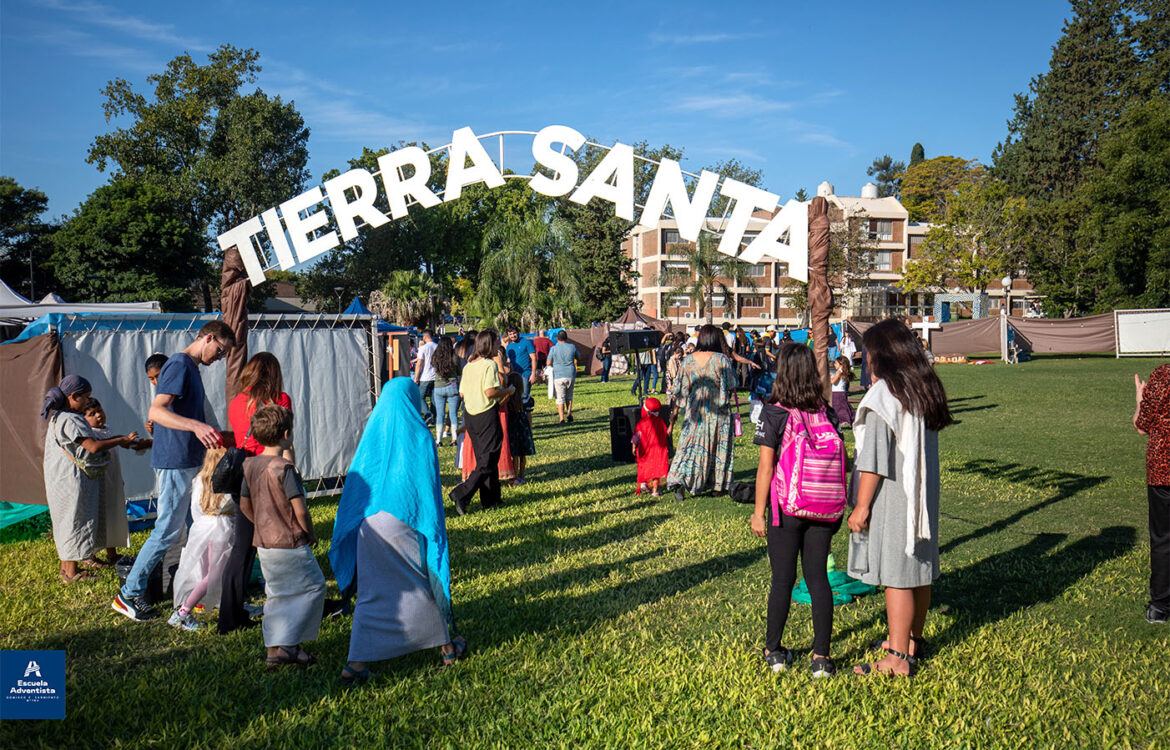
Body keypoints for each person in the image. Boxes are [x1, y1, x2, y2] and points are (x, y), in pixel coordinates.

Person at [330, 378, 468, 683]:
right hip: (405, 518)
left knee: (371, 591)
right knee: (421, 581)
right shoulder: (419, 436)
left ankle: (355, 662)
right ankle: (446, 648)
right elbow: (427, 491)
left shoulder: (372, 433)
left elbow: (357, 485)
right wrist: (430, 527)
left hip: (368, 525)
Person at [847, 319, 952, 677]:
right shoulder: (923, 386)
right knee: (918, 570)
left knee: (897, 575)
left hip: (894, 495)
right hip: (922, 493)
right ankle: (912, 641)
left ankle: (896, 658)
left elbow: (873, 460)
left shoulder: (883, 395)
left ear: (880, 355)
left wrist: (861, 508)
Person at [112, 321, 232, 621]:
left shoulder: (191, 367)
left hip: (189, 460)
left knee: (198, 528)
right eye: (220, 350)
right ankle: (129, 593)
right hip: (175, 461)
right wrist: (195, 425)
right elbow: (156, 410)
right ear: (208, 337)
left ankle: (197, 593)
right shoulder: (178, 364)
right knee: (167, 531)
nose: (220, 357)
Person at [750, 343, 846, 677]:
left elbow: (765, 468)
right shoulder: (826, 411)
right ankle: (821, 657)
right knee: (818, 578)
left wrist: (758, 511)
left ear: (783, 371)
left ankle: (774, 651)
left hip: (785, 508)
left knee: (783, 579)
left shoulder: (774, 412)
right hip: (823, 507)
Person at [239, 404, 325, 669]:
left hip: (264, 542)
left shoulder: (249, 465)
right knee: (313, 587)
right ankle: (288, 645)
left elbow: (244, 505)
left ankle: (274, 650)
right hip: (290, 541)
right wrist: (309, 533)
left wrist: (262, 524)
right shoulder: (284, 468)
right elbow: (299, 509)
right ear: (287, 434)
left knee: (276, 593)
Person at [219, 351, 292, 634]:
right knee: (280, 541)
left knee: (243, 546)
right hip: (269, 473)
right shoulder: (280, 400)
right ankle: (288, 604)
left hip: (242, 474)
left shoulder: (237, 402)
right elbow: (284, 441)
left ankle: (231, 614)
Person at [42, 377, 138, 584]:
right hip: (72, 480)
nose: (87, 402)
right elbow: (92, 446)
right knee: (74, 521)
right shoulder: (70, 418)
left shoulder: (58, 417)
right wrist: (120, 440)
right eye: (84, 398)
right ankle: (71, 573)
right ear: (73, 396)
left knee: (68, 521)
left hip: (62, 478)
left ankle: (66, 569)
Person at [666, 325, 738, 501]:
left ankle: (678, 477)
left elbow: (678, 388)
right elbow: (731, 383)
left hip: (694, 411)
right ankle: (716, 485)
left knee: (688, 446)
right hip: (717, 412)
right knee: (717, 448)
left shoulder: (688, 360)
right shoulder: (721, 359)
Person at [169, 445, 237, 632]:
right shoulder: (228, 480)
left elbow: (195, 510)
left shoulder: (199, 479)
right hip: (222, 528)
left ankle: (222, 603)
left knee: (206, 571)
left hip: (202, 527)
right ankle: (183, 612)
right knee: (216, 574)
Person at [450, 330, 516, 516]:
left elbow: (461, 393)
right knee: (489, 458)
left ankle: (491, 498)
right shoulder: (489, 365)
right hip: (486, 413)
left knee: (485, 458)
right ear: (489, 345)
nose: (498, 346)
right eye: (496, 343)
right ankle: (461, 493)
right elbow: (490, 392)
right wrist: (508, 391)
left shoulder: (468, 366)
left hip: (471, 415)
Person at [82, 398, 136, 568]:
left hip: (112, 482)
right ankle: (89, 556)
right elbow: (98, 447)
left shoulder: (107, 431)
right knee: (96, 519)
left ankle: (111, 554)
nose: (98, 415)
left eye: (99, 410)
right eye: (92, 414)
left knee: (111, 517)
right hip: (97, 484)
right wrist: (120, 439)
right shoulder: (89, 436)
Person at [1134, 365, 1170, 624]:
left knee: (1163, 539)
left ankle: (1160, 604)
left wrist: (1139, 401)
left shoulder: (1161, 377)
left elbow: (1141, 426)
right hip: (1162, 472)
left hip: (1162, 472)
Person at [633, 397, 669, 497]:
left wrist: (633, 446)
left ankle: (643, 484)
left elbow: (636, 436)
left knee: (644, 467)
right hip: (658, 453)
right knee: (656, 473)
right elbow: (665, 434)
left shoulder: (642, 423)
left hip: (645, 452)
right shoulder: (661, 422)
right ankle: (655, 491)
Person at [505, 371, 535, 485]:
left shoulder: (508, 398)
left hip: (512, 427)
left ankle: (514, 476)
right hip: (523, 427)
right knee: (523, 454)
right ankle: (522, 475)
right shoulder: (526, 398)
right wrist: (530, 428)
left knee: (515, 454)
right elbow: (528, 414)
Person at [432, 337, 462, 447]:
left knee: (440, 415)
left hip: (438, 387)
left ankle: (438, 440)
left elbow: (434, 368)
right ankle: (454, 439)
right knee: (453, 414)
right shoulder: (454, 357)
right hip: (452, 386)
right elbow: (459, 372)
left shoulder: (435, 357)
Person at [547, 330, 579, 423]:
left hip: (558, 375)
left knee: (560, 398)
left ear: (557, 339)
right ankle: (569, 413)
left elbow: (548, 362)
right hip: (570, 374)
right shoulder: (572, 347)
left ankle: (561, 418)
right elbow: (578, 356)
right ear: (566, 338)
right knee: (569, 395)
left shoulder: (553, 348)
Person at [505, 327, 538, 405]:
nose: (513, 336)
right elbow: (508, 361)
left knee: (524, 398)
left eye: (514, 333)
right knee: (514, 399)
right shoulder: (509, 347)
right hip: (513, 375)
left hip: (525, 374)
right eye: (510, 334)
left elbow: (534, 358)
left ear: (518, 333)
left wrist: (533, 374)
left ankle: (526, 415)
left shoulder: (526, 342)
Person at [411, 330, 438, 426]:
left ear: (424, 337)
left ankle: (428, 414)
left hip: (425, 376)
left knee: (420, 396)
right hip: (435, 376)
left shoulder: (423, 348)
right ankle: (433, 417)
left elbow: (419, 363)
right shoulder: (437, 346)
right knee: (434, 398)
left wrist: (416, 377)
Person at [831, 355, 855, 427]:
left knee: (839, 408)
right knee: (844, 406)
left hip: (837, 393)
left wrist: (827, 378)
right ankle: (851, 417)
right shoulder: (843, 371)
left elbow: (832, 381)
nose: (834, 365)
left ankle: (844, 420)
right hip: (841, 392)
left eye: (836, 363)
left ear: (841, 365)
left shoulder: (839, 372)